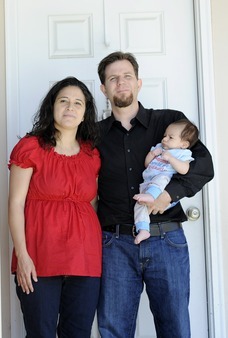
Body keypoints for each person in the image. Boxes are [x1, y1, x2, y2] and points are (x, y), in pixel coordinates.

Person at [95, 51, 214, 338]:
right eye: (113, 78)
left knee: (174, 327)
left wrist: (168, 195)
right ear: (104, 89)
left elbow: (204, 167)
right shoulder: (93, 134)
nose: (120, 82)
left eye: (126, 76)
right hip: (114, 245)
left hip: (167, 240)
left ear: (138, 82)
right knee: (114, 330)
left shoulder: (170, 123)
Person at [8, 76, 101, 337]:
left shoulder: (92, 154)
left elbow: (90, 204)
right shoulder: (30, 147)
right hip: (39, 255)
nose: (70, 107)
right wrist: (22, 257)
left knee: (78, 333)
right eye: (64, 101)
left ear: (85, 113)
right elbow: (15, 203)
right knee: (41, 333)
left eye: (77, 103)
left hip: (85, 258)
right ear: (52, 107)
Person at [133, 119, 198, 244]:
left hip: (162, 185)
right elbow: (147, 164)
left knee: (161, 178)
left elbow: (184, 169)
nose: (165, 139)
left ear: (184, 144)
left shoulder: (182, 153)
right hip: (148, 183)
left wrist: (171, 158)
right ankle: (143, 230)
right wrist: (152, 154)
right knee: (140, 205)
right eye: (165, 135)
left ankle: (151, 195)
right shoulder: (159, 147)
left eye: (170, 137)